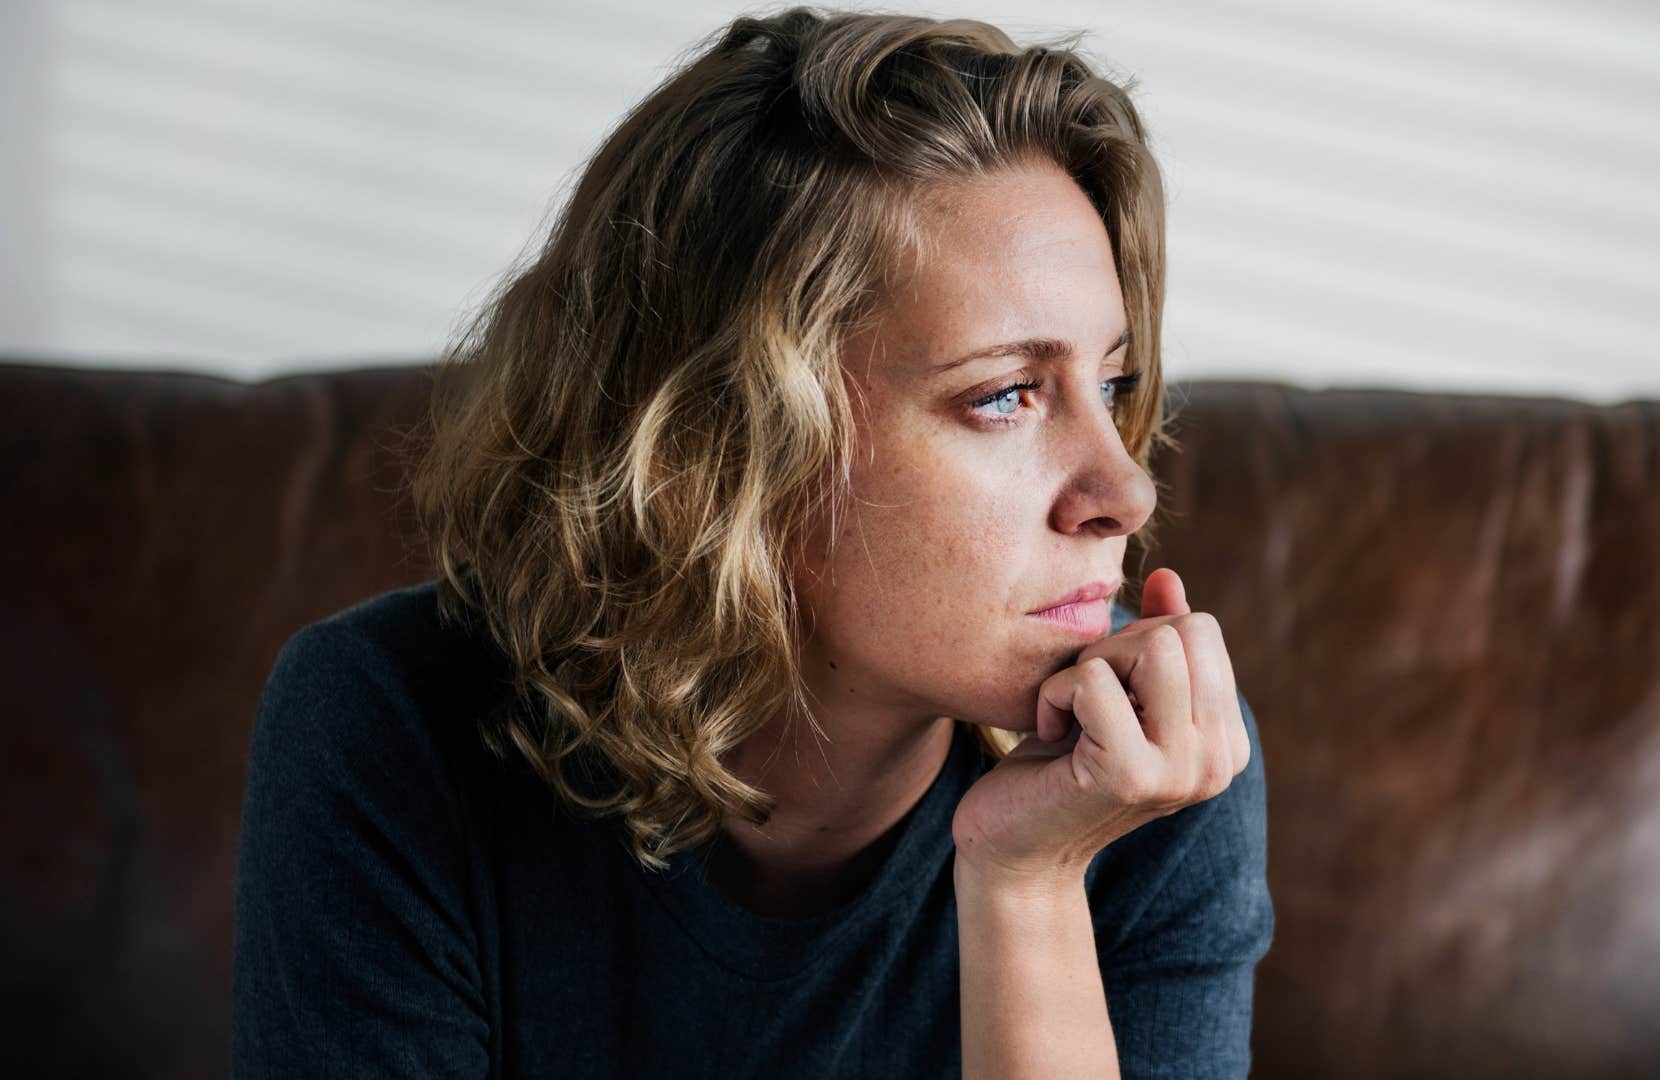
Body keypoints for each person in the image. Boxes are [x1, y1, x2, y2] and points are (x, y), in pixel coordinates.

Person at [230, 7, 1273, 1077]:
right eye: (1007, 394)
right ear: (724, 445)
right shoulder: (391, 725)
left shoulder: (1158, 771)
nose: (1126, 489)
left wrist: (1029, 883)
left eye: (1112, 384)